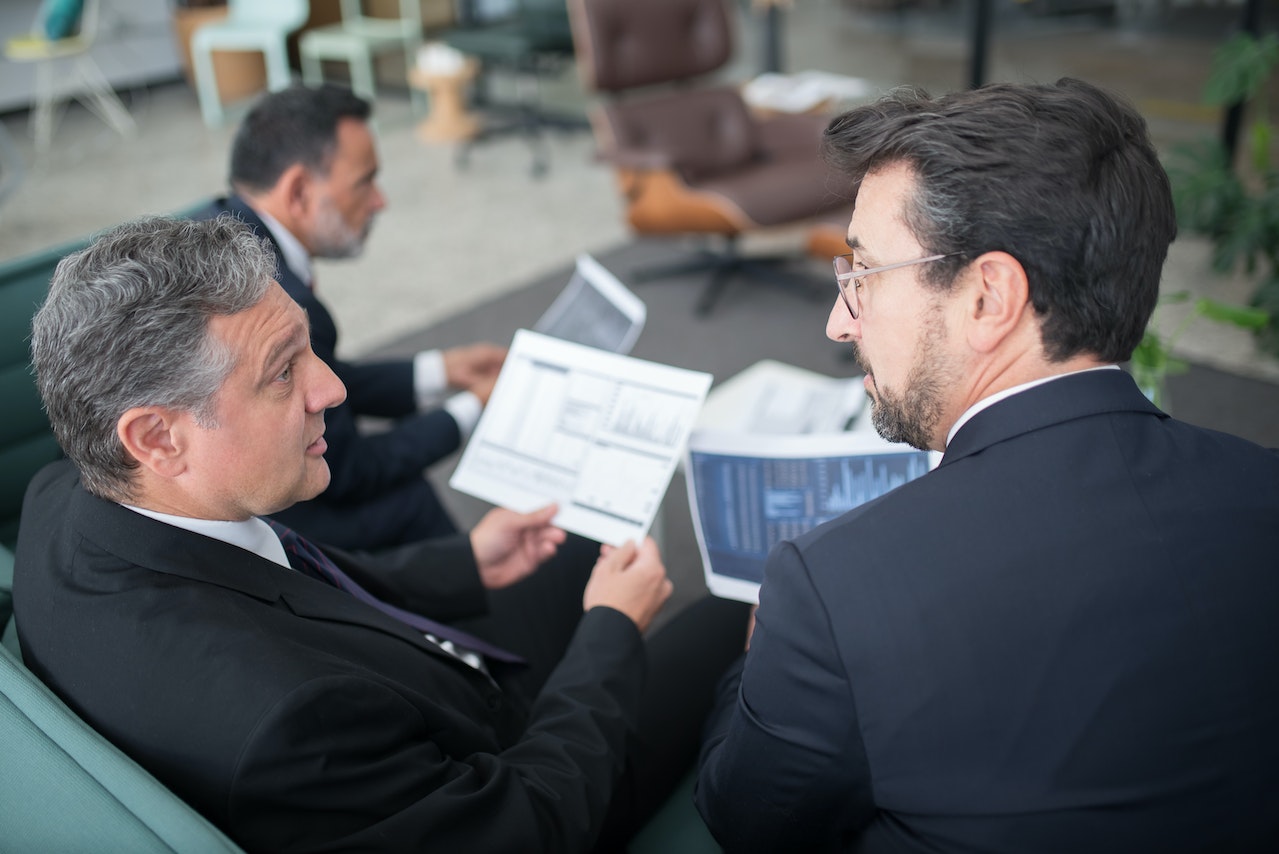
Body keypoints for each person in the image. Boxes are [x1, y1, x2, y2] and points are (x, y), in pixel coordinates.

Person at [15, 215, 750, 853]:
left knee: (583, 537)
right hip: (522, 784)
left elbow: (293, 585)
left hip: (420, 683)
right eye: (282, 373)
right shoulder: (287, 724)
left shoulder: (67, 497)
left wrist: (468, 563)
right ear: (157, 437)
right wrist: (611, 632)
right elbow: (526, 827)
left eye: (308, 348)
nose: (330, 388)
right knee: (740, 607)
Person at [695, 78, 1279, 852]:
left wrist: (752, 662)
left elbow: (748, 820)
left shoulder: (834, 588)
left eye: (861, 275)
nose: (839, 322)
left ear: (987, 296)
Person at [194, 83, 503, 550]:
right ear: (298, 190)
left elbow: (328, 377)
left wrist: (441, 371)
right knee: (406, 499)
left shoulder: (213, 225)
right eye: (365, 181)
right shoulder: (282, 300)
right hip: (246, 524)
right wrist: (472, 408)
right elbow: (349, 472)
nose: (381, 201)